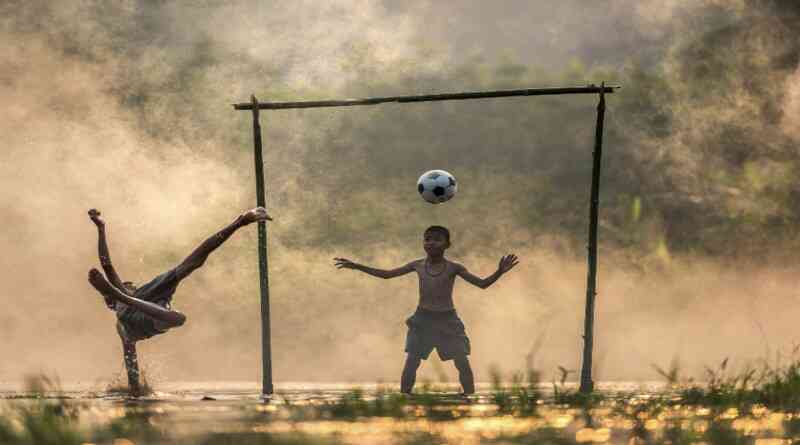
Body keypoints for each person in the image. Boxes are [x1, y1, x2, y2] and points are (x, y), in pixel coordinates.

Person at [87, 207, 272, 396]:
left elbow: (107, 264)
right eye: (127, 285)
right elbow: (106, 265)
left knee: (188, 273)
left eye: (128, 285)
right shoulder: (124, 310)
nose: (131, 282)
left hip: (145, 306)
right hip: (137, 316)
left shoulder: (147, 293)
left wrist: (101, 229)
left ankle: (240, 221)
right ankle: (122, 297)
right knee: (177, 316)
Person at [334, 225, 519, 395]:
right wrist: (357, 266)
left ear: (447, 244)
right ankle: (404, 397)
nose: (431, 243)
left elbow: (482, 284)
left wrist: (499, 271)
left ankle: (469, 397)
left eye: (437, 239)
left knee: (462, 361)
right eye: (427, 239)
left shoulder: (454, 267)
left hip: (448, 320)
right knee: (411, 361)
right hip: (422, 319)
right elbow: (387, 275)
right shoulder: (417, 265)